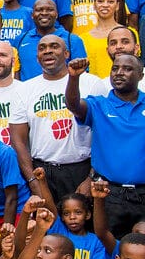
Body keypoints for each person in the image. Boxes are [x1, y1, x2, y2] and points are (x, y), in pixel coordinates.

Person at [66, 55, 145, 237]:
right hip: (110, 194)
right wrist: (73, 77)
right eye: (115, 68)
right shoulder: (99, 105)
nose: (119, 73)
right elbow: (73, 105)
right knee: (111, 249)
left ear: (141, 76)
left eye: (127, 69)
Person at [10, 35, 105, 200]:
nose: (48, 51)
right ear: (37, 57)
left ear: (67, 54)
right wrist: (33, 181)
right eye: (42, 48)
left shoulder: (92, 83)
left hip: (82, 168)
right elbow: (18, 140)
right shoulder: (24, 89)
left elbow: (104, 134)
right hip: (42, 170)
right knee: (47, 224)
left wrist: (92, 177)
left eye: (54, 46)